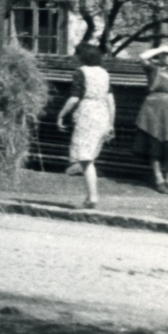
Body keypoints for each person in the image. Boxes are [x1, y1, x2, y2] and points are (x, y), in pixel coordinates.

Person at [56, 40, 115, 209]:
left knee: (85, 159)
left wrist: (61, 114)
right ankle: (91, 196)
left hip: (87, 114)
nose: (75, 57)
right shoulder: (104, 73)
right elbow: (111, 100)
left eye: (76, 53)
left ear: (82, 56)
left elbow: (74, 97)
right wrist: (111, 123)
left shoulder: (80, 72)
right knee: (88, 157)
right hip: (102, 113)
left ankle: (92, 197)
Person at [135, 41, 168, 193]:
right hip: (153, 112)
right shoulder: (154, 69)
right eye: (163, 55)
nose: (165, 57)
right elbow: (142, 57)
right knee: (155, 145)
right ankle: (158, 178)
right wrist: (162, 48)